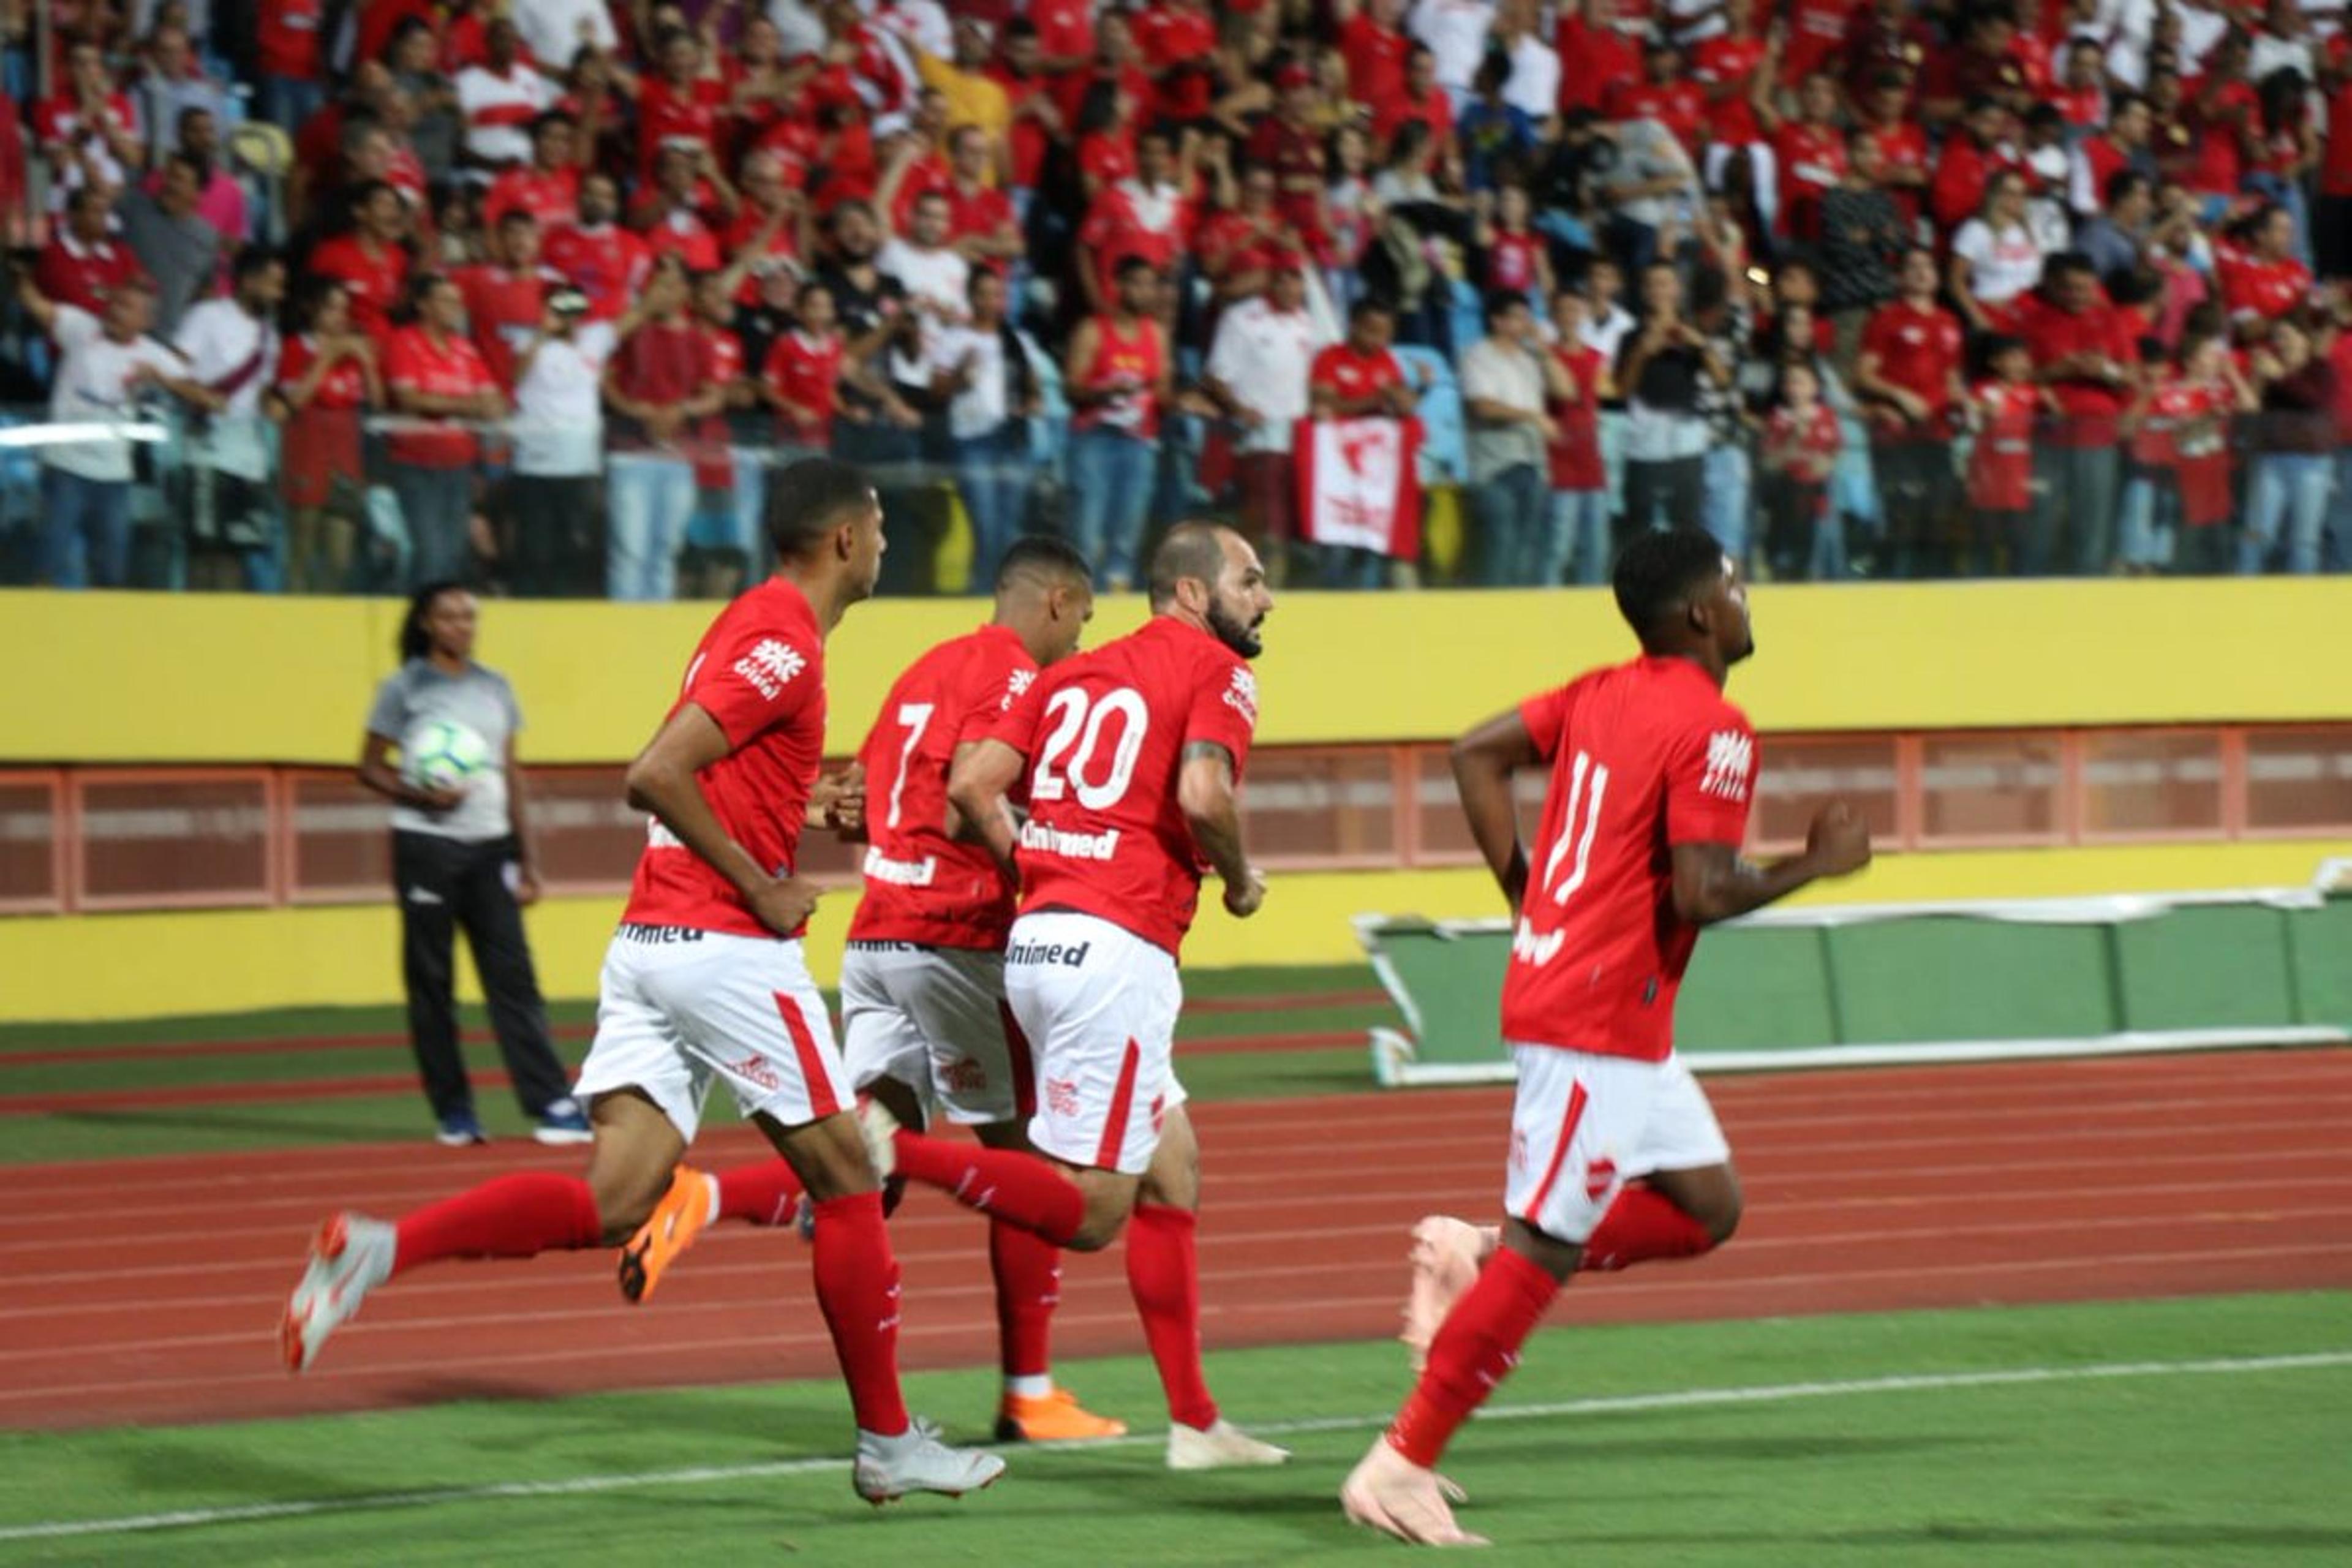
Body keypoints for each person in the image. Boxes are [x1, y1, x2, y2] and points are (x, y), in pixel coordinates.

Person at [285, 459, 1008, 1507]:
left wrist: (808, 807)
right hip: (722, 948)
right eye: (884, 528)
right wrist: (763, 883)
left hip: (653, 943)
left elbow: (717, 773)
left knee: (616, 1199)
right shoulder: (781, 639)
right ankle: (888, 1442)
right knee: (850, 1177)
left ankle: (380, 1251)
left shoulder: (758, 627)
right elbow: (654, 773)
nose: (889, 546)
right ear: (846, 540)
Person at [1338, 527, 1872, 1545]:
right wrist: (1819, 862)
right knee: (1550, 1251)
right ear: (1704, 615)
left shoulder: (1600, 691)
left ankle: (1477, 1254)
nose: (1750, 597)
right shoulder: (1715, 729)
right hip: (1594, 1018)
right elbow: (1703, 890)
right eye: (1736, 585)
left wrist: (1525, 894)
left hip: (1604, 1007)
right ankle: (1398, 1466)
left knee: (1707, 1208)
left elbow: (1473, 753)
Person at [617, 537, 1130, 1444]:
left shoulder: (926, 669)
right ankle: (1029, 1392)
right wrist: (1053, 868)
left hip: (877, 939)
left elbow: (861, 798)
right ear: (1056, 601)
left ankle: (708, 1200)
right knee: (1030, 1172)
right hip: (960, 938)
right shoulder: (1016, 678)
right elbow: (966, 797)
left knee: (861, 1163)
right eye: (1084, 618)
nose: (1084, 642)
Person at [862, 522, 1293, 1471]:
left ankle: (1195, 1422)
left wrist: (1050, 870)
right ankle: (897, 1148)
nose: (1265, 599)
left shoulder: (1069, 676)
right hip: (1117, 951)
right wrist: (1240, 879)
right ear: (1191, 592)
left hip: (1038, 936)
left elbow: (974, 787)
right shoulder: (1220, 673)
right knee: (1094, 1211)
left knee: (1172, 1167)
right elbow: (1204, 796)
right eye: (1250, 580)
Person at [355, 582, 586, 1147]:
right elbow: (369, 767)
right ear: (428, 623)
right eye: (451, 616)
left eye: (470, 616)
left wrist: (528, 860)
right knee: (432, 982)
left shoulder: (494, 687)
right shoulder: (404, 687)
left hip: (491, 848)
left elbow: (511, 774)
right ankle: (454, 1111)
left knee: (514, 978)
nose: (463, 625)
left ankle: (551, 1102)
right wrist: (419, 797)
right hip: (425, 849)